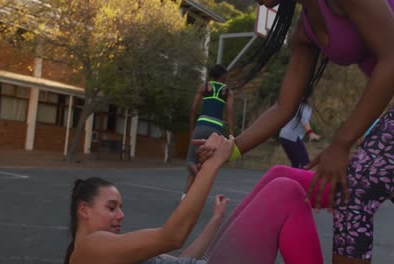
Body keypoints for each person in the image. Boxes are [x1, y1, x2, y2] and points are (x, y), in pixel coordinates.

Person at [196, 0, 394, 263]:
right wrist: (229, 150)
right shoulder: (305, 30)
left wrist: (341, 144)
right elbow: (284, 107)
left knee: (356, 187)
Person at [64, 134, 326, 264]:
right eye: (111, 207)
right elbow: (172, 235)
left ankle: (349, 192)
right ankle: (354, 192)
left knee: (277, 174)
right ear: (84, 210)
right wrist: (214, 163)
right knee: (284, 191)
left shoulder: (108, 249)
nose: (120, 215)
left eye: (119, 208)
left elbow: (182, 256)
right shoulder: (89, 248)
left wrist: (215, 220)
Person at [181, 64, 234, 200]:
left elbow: (193, 109)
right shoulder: (227, 91)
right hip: (216, 129)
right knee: (203, 162)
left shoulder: (204, 86)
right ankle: (186, 196)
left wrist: (192, 128)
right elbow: (230, 113)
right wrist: (231, 135)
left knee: (191, 161)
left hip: (202, 125)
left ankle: (199, 177)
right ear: (223, 76)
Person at [279, 101, 321, 168]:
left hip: (283, 136)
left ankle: (291, 177)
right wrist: (310, 133)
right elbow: (304, 120)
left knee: (296, 163)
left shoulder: (296, 105)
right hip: (292, 137)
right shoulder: (306, 107)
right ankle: (300, 178)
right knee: (306, 163)